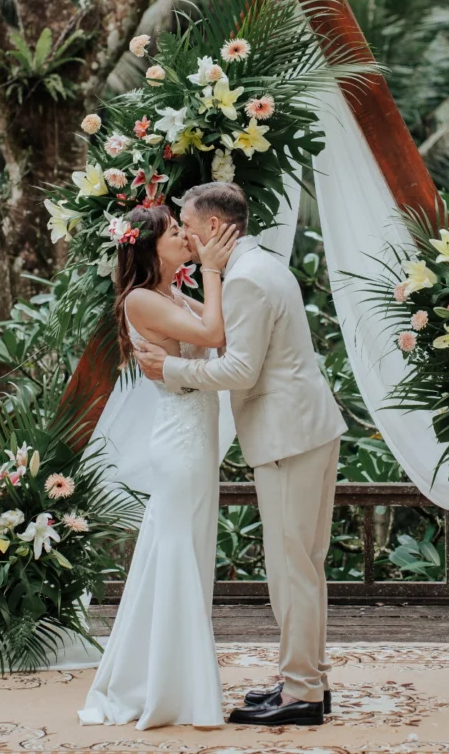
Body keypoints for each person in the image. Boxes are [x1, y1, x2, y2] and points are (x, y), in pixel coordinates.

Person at [135, 182, 346, 728]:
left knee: (291, 568)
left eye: (186, 224)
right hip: (309, 427)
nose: (184, 235)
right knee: (306, 564)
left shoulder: (246, 280)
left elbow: (240, 371)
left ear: (212, 227)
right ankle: (309, 679)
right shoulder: (262, 265)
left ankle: (300, 693)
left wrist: (170, 370)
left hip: (288, 437)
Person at [78, 202, 238, 730]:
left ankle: (175, 678)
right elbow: (214, 336)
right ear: (150, 247)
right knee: (176, 553)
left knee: (187, 550)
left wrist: (209, 273)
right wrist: (211, 268)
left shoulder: (171, 294)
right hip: (180, 439)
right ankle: (169, 688)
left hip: (197, 433)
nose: (184, 237)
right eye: (175, 232)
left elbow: (220, 325)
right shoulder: (141, 299)